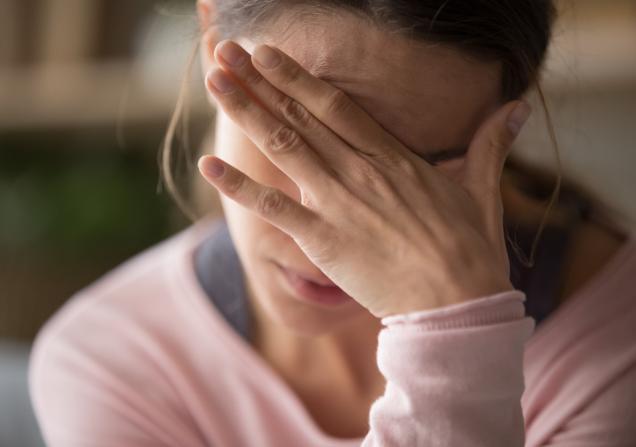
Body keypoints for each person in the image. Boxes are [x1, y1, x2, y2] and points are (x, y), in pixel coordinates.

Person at [29, 1, 636, 445]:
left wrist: (452, 327)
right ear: (214, 33)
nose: (329, 245)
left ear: (510, 115)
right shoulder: (114, 360)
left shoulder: (617, 345)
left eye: (415, 174)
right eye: (300, 141)